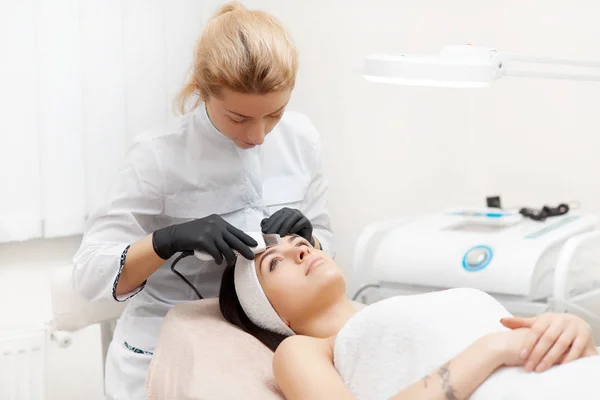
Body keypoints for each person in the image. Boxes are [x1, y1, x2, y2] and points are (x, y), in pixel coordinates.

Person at [71, 2, 334, 398]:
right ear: (200, 89)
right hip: (161, 348)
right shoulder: (157, 156)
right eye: (239, 118)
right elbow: (89, 273)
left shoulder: (302, 140)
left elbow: (326, 243)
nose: (259, 136)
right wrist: (168, 241)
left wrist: (310, 240)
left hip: (262, 349)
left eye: (274, 114)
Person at [219, 234, 600, 400]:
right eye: (274, 264)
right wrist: (493, 349)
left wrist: (569, 328)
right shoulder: (303, 350)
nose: (300, 249)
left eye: (298, 242)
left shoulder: (405, 306)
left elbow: (524, 337)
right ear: (271, 314)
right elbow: (504, 344)